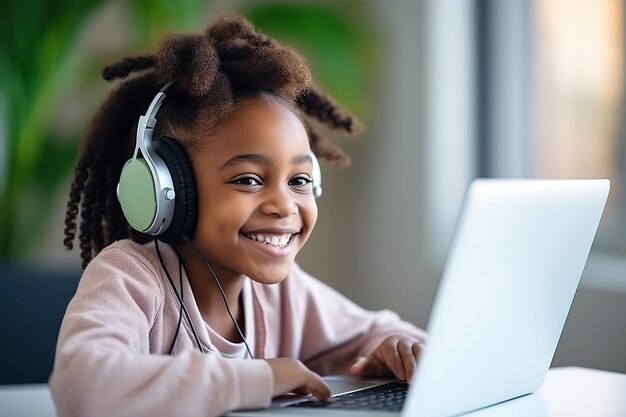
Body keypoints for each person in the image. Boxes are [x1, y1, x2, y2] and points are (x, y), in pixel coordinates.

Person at [51, 13, 427, 417]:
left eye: (299, 179)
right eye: (248, 180)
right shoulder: (131, 277)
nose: (283, 205)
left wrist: (398, 347)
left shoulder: (284, 295)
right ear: (171, 191)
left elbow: (378, 331)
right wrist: (258, 380)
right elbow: (81, 384)